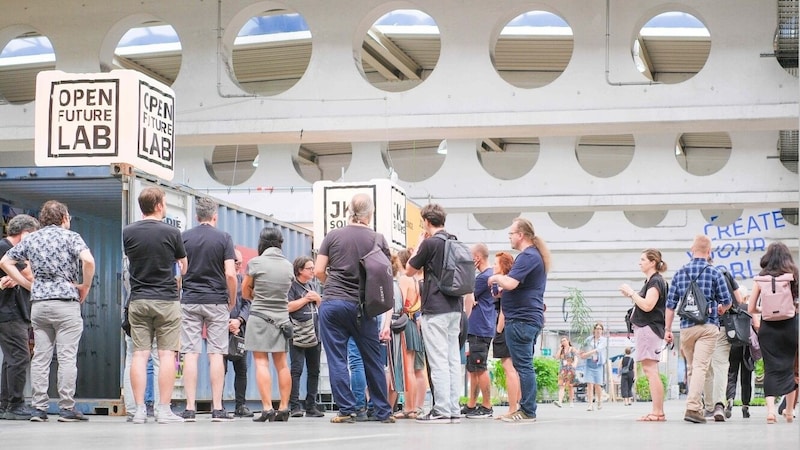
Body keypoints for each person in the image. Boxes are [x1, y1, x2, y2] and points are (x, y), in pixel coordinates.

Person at [0, 201, 95, 423]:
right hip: (65, 302)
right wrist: (85, 286)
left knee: (41, 357)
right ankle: (66, 408)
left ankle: (39, 409)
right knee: (66, 357)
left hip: (40, 305)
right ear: (63, 218)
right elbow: (88, 260)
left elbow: (6, 262)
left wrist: (26, 285)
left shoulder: (32, 238)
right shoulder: (71, 237)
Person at [314, 193, 395, 424]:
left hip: (333, 303)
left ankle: (347, 410)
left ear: (349, 211)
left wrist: (332, 282)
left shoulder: (333, 235)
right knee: (372, 360)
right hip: (362, 307)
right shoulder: (377, 238)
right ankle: (383, 412)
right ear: (370, 214)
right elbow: (385, 274)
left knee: (337, 359)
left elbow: (319, 270)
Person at [122, 187, 187, 424]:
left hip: (138, 299)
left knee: (140, 354)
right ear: (159, 205)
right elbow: (183, 265)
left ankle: (139, 411)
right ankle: (163, 410)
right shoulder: (173, 232)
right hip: (166, 300)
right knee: (167, 355)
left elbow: (130, 262)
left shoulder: (128, 232)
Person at [487, 217, 551, 423]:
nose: (510, 237)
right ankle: (526, 409)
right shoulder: (533, 256)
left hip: (521, 320)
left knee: (522, 366)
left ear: (521, 235)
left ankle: (527, 410)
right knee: (524, 365)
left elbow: (512, 283)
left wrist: (496, 277)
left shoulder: (527, 257)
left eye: (511, 234)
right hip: (527, 318)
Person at [180, 197, 237, 422]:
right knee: (216, 353)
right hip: (216, 301)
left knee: (190, 353)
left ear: (197, 216)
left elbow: (179, 272)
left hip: (191, 300)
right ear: (215, 216)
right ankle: (217, 408)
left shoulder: (184, 237)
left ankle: (190, 408)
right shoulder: (224, 238)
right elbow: (231, 274)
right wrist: (231, 300)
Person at [406, 203, 464, 424]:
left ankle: (440, 410)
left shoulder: (430, 243)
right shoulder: (455, 240)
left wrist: (420, 243)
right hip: (455, 308)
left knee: (438, 360)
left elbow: (409, 269)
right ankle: (453, 409)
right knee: (451, 359)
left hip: (435, 309)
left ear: (427, 222)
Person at [665, 235, 732, 424]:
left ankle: (697, 407)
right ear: (709, 252)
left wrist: (667, 330)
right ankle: (693, 408)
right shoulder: (714, 273)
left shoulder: (680, 273)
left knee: (693, 368)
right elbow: (727, 302)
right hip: (708, 326)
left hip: (686, 329)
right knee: (702, 366)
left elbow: (670, 306)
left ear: (691, 250)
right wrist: (721, 309)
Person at [242, 227, 294, 422]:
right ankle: (284, 407)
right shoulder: (288, 266)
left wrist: (258, 294)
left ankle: (266, 408)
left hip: (259, 318)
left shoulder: (255, 263)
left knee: (261, 362)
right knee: (282, 364)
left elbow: (245, 292)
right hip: (282, 319)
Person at [747, 241, 798, 424]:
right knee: (790, 369)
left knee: (771, 369)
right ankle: (790, 411)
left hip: (768, 328)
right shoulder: (793, 275)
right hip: (791, 327)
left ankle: (770, 412)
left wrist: (766, 309)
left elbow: (752, 307)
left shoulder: (761, 278)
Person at [620, 248, 668, 421]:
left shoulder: (655, 281)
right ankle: (657, 410)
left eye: (643, 259)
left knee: (650, 370)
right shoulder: (651, 281)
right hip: (647, 329)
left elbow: (648, 305)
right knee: (650, 369)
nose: (640, 262)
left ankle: (658, 411)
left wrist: (632, 293)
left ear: (652, 262)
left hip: (649, 329)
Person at [0, 214, 39, 420]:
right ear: (24, 234)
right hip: (10, 312)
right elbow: (32, 275)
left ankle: (5, 403)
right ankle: (15, 404)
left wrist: (15, 276)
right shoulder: (8, 249)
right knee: (20, 357)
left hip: (11, 311)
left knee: (10, 358)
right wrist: (22, 273)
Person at [699, 260, 740, 421]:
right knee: (721, 365)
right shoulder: (724, 274)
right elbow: (738, 299)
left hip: (701, 326)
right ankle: (718, 406)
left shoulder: (694, 275)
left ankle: (708, 408)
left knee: (706, 368)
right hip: (722, 326)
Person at [462, 243, 496, 419]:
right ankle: (471, 404)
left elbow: (470, 295)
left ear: (477, 258)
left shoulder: (484, 277)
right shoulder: (488, 275)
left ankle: (487, 405)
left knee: (479, 367)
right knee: (473, 367)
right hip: (479, 327)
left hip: (480, 328)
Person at [287, 255, 324, 418]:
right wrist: (305, 299)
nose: (313, 271)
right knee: (296, 370)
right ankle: (294, 405)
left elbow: (321, 305)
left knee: (314, 370)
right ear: (300, 270)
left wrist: (318, 299)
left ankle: (311, 406)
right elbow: (288, 307)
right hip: (298, 334)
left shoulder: (313, 285)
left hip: (315, 333)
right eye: (309, 268)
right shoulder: (292, 287)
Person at [393, 248, 426, 420]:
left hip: (405, 325)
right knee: (413, 369)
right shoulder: (414, 280)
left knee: (408, 370)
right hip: (413, 324)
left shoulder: (404, 279)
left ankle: (409, 407)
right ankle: (412, 407)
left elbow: (400, 304)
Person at [491, 251, 520, 416]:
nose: (493, 266)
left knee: (509, 368)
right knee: (514, 368)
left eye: (496, 263)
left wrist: (498, 330)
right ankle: (516, 407)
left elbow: (504, 310)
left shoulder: (505, 283)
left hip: (506, 327)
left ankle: (512, 408)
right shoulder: (508, 283)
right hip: (511, 326)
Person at [226, 249, 253, 417]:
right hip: (220, 329)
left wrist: (239, 321)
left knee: (241, 369)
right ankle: (218, 405)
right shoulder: (219, 281)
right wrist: (227, 322)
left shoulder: (243, 280)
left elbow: (248, 303)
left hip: (240, 330)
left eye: (241, 263)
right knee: (219, 369)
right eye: (237, 262)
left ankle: (240, 406)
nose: (239, 266)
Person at [726, 286, 753, 419]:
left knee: (732, 373)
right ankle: (745, 406)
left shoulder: (731, 309)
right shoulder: (749, 309)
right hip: (747, 345)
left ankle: (730, 400)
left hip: (733, 344)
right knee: (746, 376)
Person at [580, 323, 607, 411]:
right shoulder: (589, 339)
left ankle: (599, 401)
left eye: (600, 329)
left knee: (598, 385)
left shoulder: (604, 340)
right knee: (589, 384)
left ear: (602, 331)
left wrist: (585, 354)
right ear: (594, 330)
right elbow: (583, 347)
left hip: (598, 364)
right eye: (597, 328)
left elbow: (598, 349)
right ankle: (590, 404)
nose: (598, 330)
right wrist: (581, 353)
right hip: (589, 363)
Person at [554, 336, 577, 408]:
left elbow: (576, 358)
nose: (563, 342)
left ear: (568, 341)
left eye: (564, 340)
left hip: (570, 368)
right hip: (563, 369)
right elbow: (557, 357)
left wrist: (574, 364)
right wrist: (559, 349)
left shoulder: (572, 349)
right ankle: (560, 401)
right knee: (562, 385)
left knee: (570, 386)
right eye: (562, 341)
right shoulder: (561, 350)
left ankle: (571, 401)